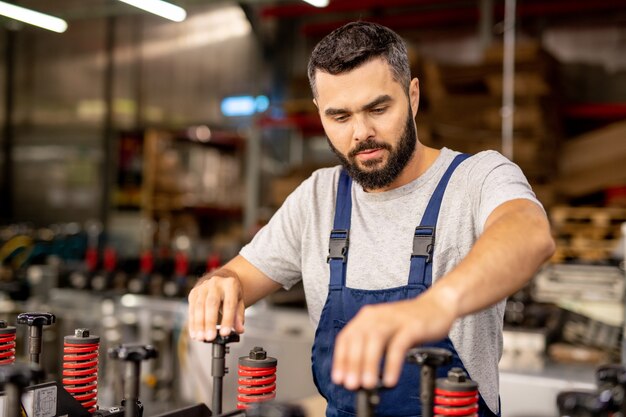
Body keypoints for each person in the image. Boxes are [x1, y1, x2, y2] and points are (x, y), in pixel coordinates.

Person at [188, 21, 555, 417]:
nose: (362, 132)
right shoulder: (318, 196)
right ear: (320, 114)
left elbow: (529, 233)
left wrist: (436, 305)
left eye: (378, 109)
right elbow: (236, 279)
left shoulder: (476, 178)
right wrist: (218, 284)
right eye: (340, 117)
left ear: (412, 96)